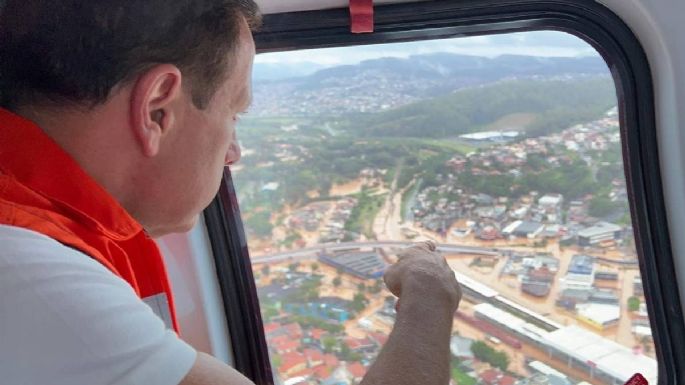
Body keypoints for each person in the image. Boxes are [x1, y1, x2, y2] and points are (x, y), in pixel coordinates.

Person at [0, 1, 462, 384]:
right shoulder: (30, 277)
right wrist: (430, 294)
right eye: (234, 113)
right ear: (158, 111)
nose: (233, 152)